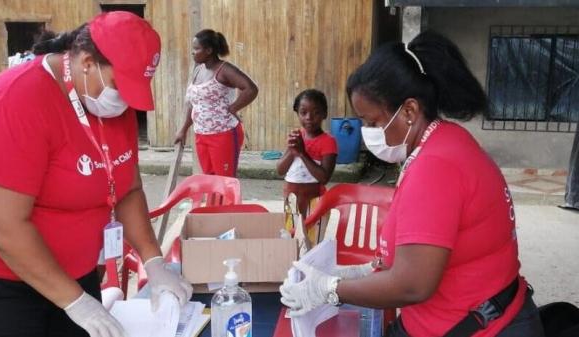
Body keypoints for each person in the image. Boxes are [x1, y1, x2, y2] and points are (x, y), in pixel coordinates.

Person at [279, 31, 545, 337]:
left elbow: (411, 284)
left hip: (473, 327)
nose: (368, 133)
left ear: (409, 111)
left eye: (373, 123)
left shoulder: (436, 167)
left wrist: (330, 289)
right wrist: (356, 273)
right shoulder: (445, 141)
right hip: (475, 315)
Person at [0, 11, 192, 337]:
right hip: (7, 290)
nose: (124, 102)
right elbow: (0, 221)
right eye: (121, 86)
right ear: (87, 62)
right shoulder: (17, 100)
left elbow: (128, 189)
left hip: (78, 278)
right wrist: (75, 302)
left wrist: (154, 262)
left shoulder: (108, 104)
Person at [175, 29, 258, 177]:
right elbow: (193, 103)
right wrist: (183, 129)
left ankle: (227, 202)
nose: (193, 52)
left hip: (223, 133)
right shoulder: (198, 70)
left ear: (209, 50)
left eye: (196, 49)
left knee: (224, 181)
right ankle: (213, 202)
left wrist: (234, 108)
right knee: (210, 179)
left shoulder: (224, 70)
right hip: (201, 134)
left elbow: (251, 89)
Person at [276, 89, 337, 215]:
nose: (309, 117)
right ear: (297, 113)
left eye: (316, 113)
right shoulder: (297, 137)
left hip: (315, 201)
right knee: (292, 233)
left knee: (312, 234)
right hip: (291, 199)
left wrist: (302, 153)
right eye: (303, 112)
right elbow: (280, 170)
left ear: (324, 114)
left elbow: (324, 178)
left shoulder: (328, 141)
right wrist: (293, 152)